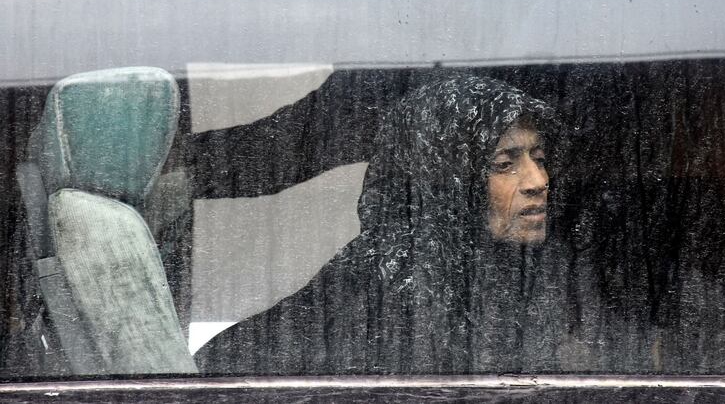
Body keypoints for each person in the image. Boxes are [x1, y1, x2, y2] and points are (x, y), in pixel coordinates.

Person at [194, 75, 613, 374]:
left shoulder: (526, 276)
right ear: (445, 182)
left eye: (538, 159)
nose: (539, 182)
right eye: (504, 165)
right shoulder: (382, 299)